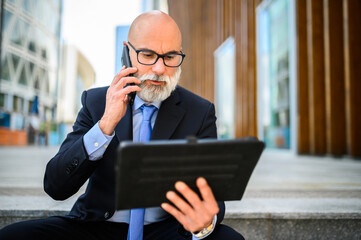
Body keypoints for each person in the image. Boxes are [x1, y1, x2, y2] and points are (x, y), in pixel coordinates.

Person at [0, 11, 244, 240]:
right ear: (127, 52)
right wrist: (105, 125)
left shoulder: (199, 112)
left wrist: (205, 223)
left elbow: (213, 195)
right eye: (148, 55)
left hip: (165, 231)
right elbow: (55, 186)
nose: (160, 69)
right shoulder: (96, 102)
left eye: (170, 57)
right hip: (96, 227)